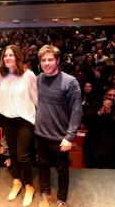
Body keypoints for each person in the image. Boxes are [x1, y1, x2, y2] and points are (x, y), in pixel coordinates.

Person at [35, 45, 82, 207]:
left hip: (60, 137)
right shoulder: (38, 79)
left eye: (50, 59)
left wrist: (69, 137)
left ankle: (62, 200)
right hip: (40, 134)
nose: (47, 63)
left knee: (62, 170)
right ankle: (45, 193)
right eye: (43, 60)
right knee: (42, 166)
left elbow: (77, 112)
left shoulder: (70, 82)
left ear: (58, 61)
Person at [0, 45, 37, 206]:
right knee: (12, 152)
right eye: (5, 55)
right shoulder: (2, 75)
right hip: (7, 119)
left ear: (18, 57)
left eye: (11, 55)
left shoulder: (29, 75)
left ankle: (29, 186)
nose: (8, 58)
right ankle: (16, 181)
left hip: (24, 120)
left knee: (22, 155)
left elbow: (36, 99)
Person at [82, 87, 115, 168]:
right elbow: (86, 118)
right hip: (96, 144)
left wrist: (109, 112)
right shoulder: (95, 105)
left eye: (114, 95)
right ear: (104, 95)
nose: (112, 98)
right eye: (109, 95)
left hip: (114, 147)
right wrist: (99, 113)